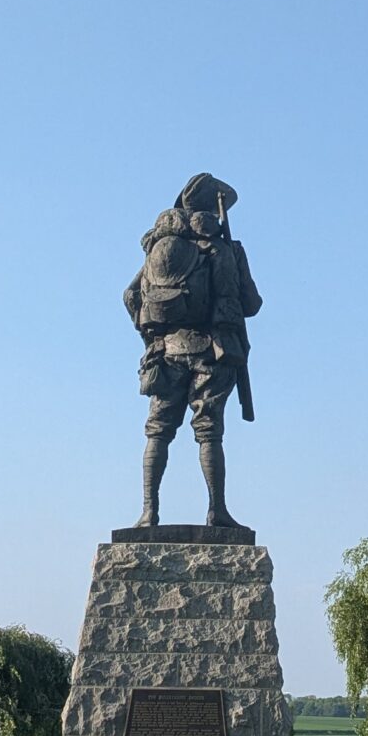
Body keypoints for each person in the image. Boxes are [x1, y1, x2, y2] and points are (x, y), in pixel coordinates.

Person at [122, 173, 260, 527]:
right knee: (209, 431)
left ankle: (148, 512)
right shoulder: (222, 249)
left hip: (165, 353)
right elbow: (250, 303)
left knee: (157, 431)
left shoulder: (160, 248)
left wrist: (152, 338)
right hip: (211, 353)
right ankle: (217, 511)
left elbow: (130, 295)